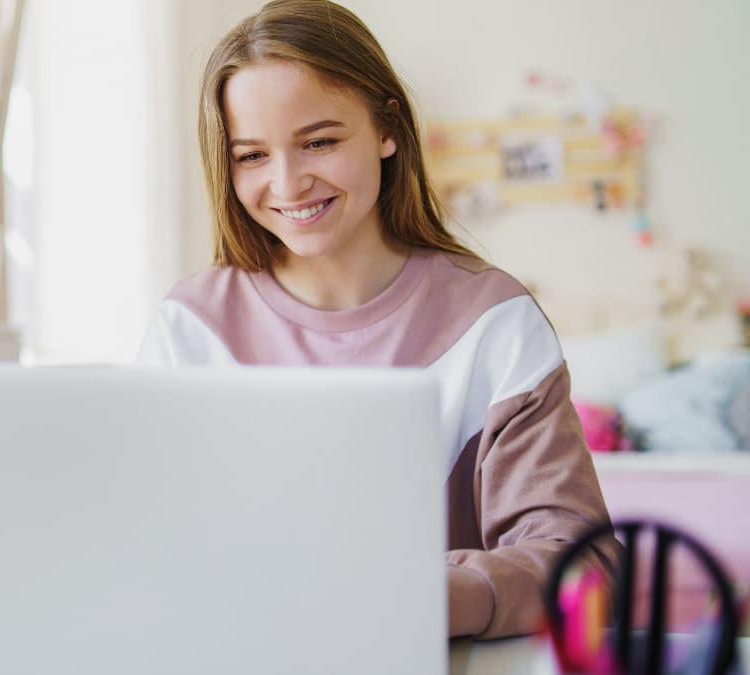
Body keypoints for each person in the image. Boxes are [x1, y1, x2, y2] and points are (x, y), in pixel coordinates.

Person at [135, 0, 621, 640]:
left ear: (387, 128)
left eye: (319, 142)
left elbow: (584, 565)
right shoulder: (190, 327)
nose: (287, 183)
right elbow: (144, 544)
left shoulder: (494, 322)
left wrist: (439, 599)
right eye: (251, 155)